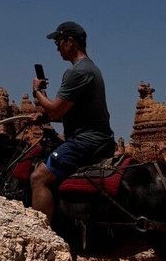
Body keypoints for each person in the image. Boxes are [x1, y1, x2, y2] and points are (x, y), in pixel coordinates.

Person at [30, 21, 115, 220]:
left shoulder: (76, 72)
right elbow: (74, 113)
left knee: (38, 178)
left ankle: (42, 237)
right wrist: (44, 116)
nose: (57, 48)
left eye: (58, 42)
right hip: (100, 139)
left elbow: (56, 112)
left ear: (70, 41)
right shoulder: (92, 69)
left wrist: (37, 91)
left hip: (85, 142)